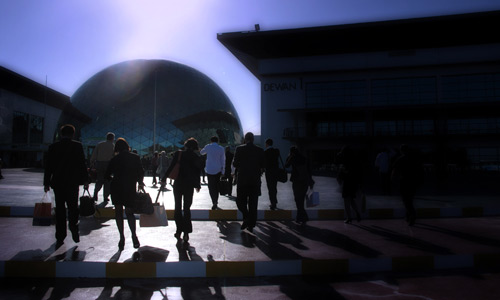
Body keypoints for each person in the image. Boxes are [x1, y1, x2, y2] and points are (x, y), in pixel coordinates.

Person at [43, 124, 89, 248]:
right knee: (73, 206)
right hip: (72, 183)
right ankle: (73, 226)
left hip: (58, 183)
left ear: (61, 133)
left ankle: (60, 236)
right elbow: (82, 164)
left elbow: (49, 166)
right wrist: (85, 180)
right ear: (72, 134)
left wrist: (46, 182)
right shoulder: (77, 146)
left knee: (60, 209)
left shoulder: (53, 147)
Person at [105, 138, 145, 250]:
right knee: (129, 213)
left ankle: (121, 237)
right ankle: (134, 235)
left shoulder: (114, 159)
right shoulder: (135, 157)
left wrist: (114, 177)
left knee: (118, 212)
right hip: (129, 187)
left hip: (116, 187)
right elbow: (141, 171)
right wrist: (140, 182)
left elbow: (107, 175)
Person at [161, 138, 203, 243]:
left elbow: (171, 166)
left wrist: (164, 177)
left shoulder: (179, 154)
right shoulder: (195, 156)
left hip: (178, 184)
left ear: (186, 145)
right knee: (187, 208)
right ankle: (186, 233)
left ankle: (178, 230)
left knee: (178, 207)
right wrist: (197, 185)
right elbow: (197, 172)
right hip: (189, 186)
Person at [232, 132, 265, 233]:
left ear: (245, 139)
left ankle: (246, 217)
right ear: (253, 139)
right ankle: (251, 225)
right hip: (255, 180)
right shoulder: (260, 150)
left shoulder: (239, 149)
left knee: (240, 201)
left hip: (243, 180)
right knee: (253, 203)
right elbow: (263, 165)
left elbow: (235, 163)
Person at [392, 144, 424, 226]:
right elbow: (420, 170)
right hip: (414, 181)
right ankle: (408, 216)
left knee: (405, 200)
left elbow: (395, 171)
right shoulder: (414, 159)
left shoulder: (400, 159)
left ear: (401, 150)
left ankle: (412, 214)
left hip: (404, 181)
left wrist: (392, 180)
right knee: (410, 199)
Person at [285, 146, 313, 224]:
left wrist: (289, 156)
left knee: (297, 199)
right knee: (301, 199)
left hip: (297, 181)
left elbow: (286, 165)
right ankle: (299, 217)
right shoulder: (304, 158)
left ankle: (303, 217)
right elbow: (309, 170)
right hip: (305, 181)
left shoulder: (293, 157)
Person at [337, 146, 362, 224]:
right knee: (351, 200)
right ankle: (357, 212)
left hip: (347, 183)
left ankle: (349, 217)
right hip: (353, 183)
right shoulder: (354, 160)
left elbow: (346, 172)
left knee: (346, 201)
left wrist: (341, 170)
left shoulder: (346, 162)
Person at [200, 136, 225, 210]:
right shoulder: (221, 148)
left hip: (209, 170)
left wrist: (203, 148)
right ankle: (216, 201)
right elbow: (223, 160)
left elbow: (202, 153)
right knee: (216, 186)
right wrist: (223, 171)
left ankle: (213, 201)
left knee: (211, 187)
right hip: (218, 170)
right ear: (217, 141)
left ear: (211, 141)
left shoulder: (208, 147)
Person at [90, 132, 115, 205]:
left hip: (100, 164)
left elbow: (94, 154)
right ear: (112, 138)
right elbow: (114, 156)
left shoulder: (100, 144)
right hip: (108, 165)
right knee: (107, 182)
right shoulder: (113, 146)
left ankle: (95, 193)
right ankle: (105, 196)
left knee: (99, 180)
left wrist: (92, 162)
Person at [264, 138, 280, 210]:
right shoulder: (276, 151)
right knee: (274, 187)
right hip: (276, 172)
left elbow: (264, 163)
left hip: (269, 172)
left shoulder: (266, 152)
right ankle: (275, 202)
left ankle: (273, 203)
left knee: (270, 188)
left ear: (267, 144)